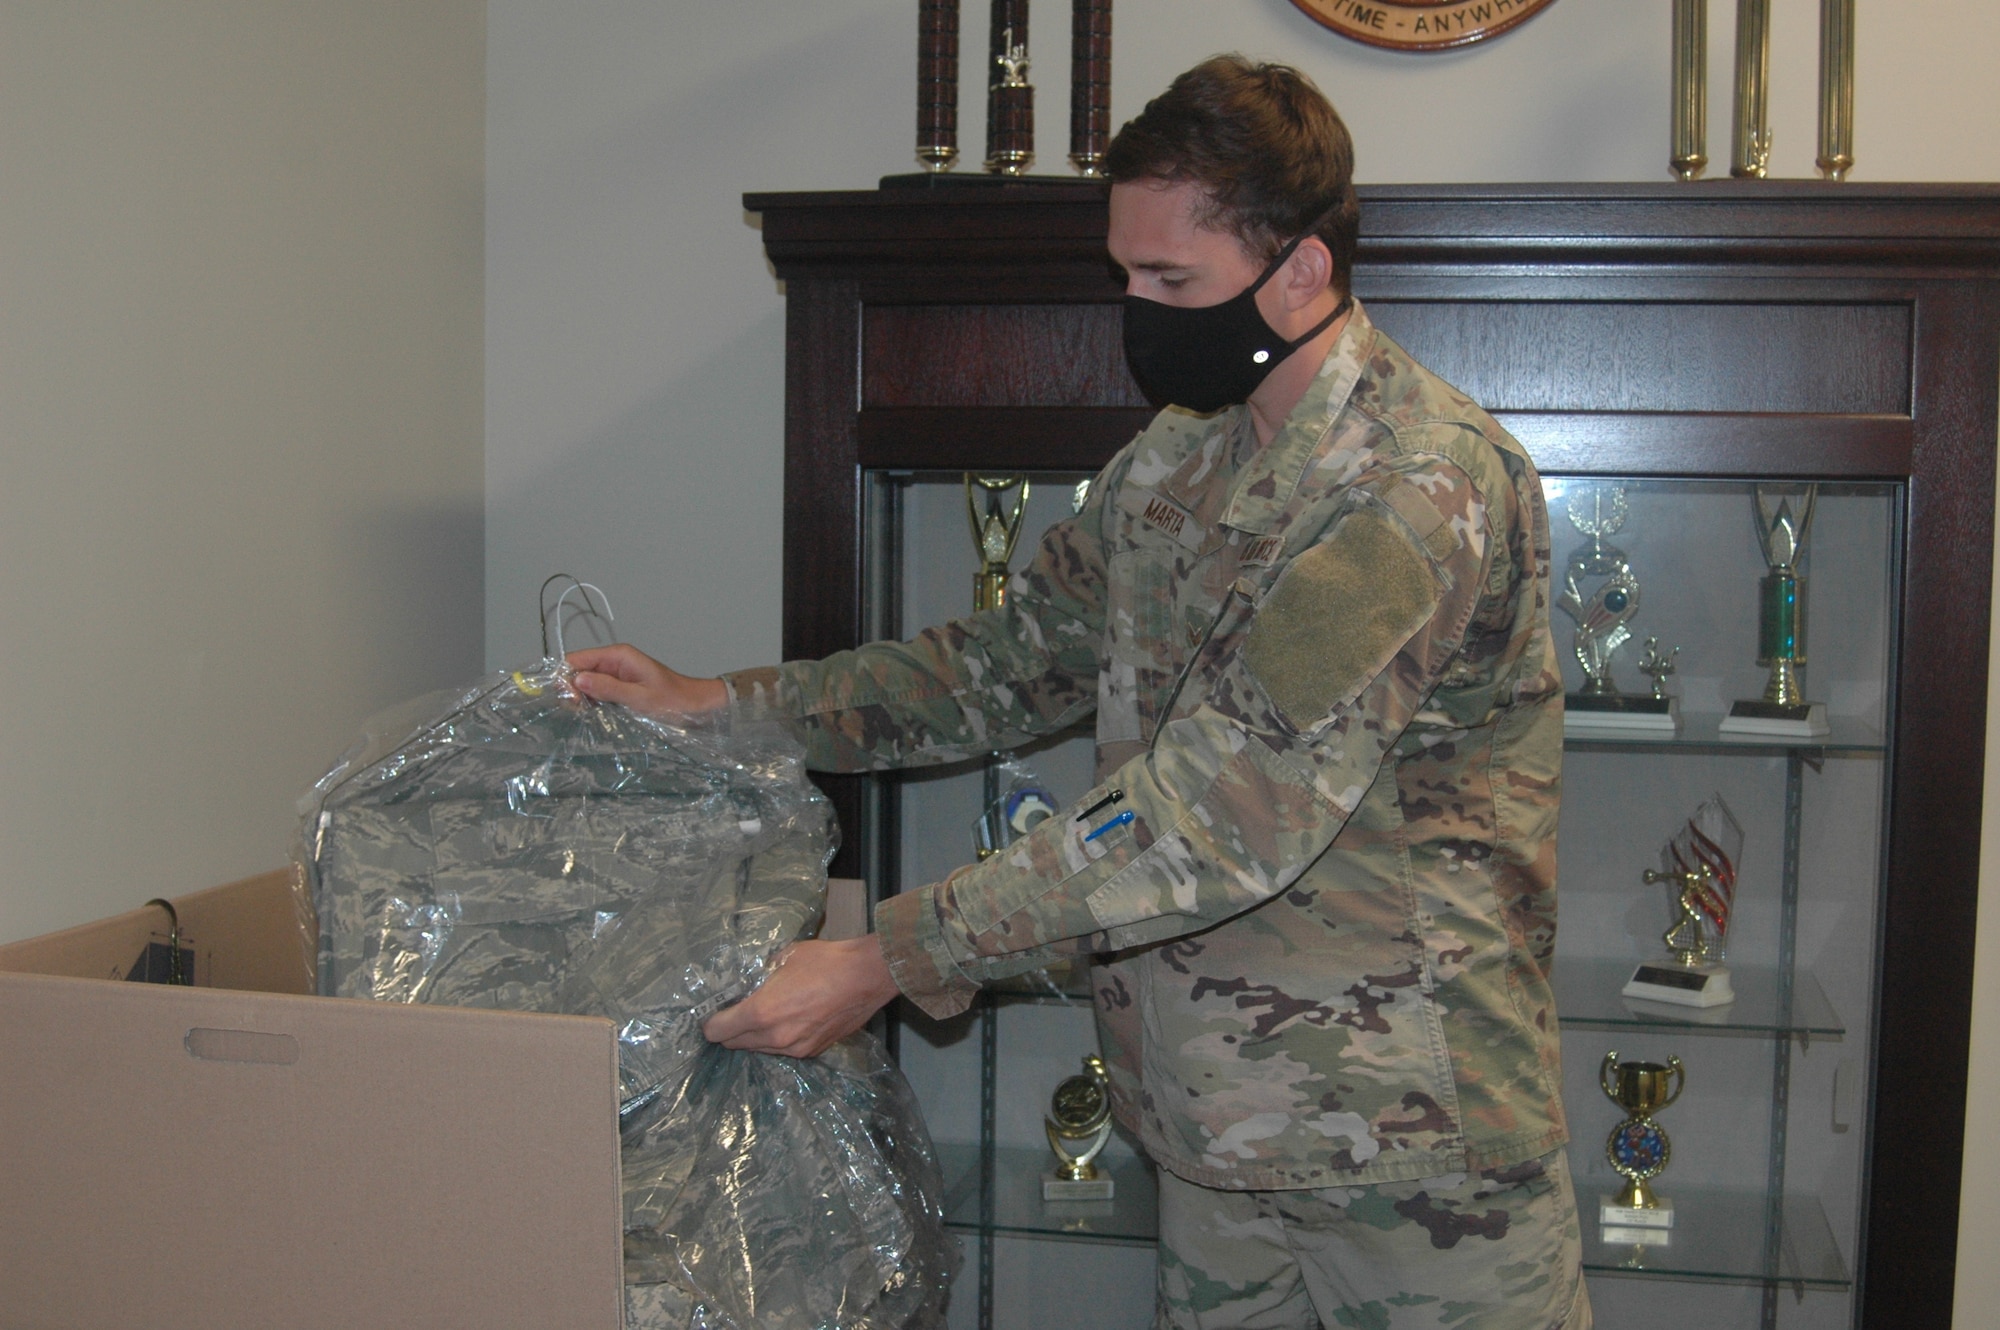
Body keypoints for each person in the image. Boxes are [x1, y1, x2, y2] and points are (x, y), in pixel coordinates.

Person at [572, 55, 1588, 1330]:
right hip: (1213, 1127)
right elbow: (997, 667)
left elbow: (1217, 808)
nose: (1137, 309)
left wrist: (890, 955)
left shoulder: (1412, 489)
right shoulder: (1173, 461)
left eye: (1171, 281)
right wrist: (725, 703)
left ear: (1303, 271)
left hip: (1413, 1151)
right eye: (1124, 272)